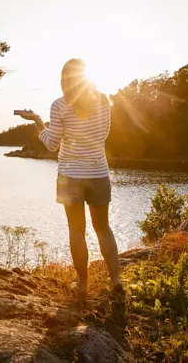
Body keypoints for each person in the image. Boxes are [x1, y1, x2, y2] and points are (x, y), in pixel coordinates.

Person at [19, 58, 122, 304]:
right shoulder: (104, 102)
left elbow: (52, 144)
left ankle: (83, 286)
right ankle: (116, 280)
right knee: (104, 228)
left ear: (65, 80)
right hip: (98, 173)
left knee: (77, 231)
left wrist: (38, 122)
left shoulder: (60, 105)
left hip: (70, 177)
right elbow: (103, 135)